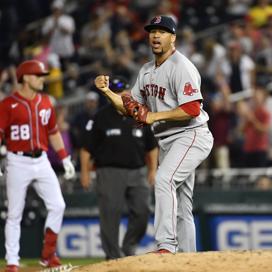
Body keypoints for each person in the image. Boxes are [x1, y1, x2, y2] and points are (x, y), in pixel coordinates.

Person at [94, 15, 214, 253]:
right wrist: (107, 92)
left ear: (173, 38)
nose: (156, 35)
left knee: (164, 180)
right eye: (152, 31)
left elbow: (192, 109)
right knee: (181, 206)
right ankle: (189, 260)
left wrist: (154, 116)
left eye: (162, 31)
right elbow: (130, 108)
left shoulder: (182, 66)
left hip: (191, 135)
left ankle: (166, 246)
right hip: (168, 141)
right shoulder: (147, 70)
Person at [0, 60, 75, 272]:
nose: (43, 79)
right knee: (14, 213)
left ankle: (48, 255)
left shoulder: (45, 102)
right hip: (17, 161)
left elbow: (53, 132)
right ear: (26, 78)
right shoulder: (8, 104)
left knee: (58, 205)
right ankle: (12, 261)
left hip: (41, 160)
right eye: (39, 75)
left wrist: (65, 157)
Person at [80, 76, 158, 259]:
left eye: (126, 90)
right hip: (109, 172)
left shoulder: (139, 113)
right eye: (119, 91)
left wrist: (153, 169)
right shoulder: (100, 116)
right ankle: (113, 258)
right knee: (110, 215)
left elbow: (152, 146)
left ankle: (129, 246)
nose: (124, 94)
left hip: (138, 171)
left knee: (142, 211)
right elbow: (86, 149)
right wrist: (84, 173)